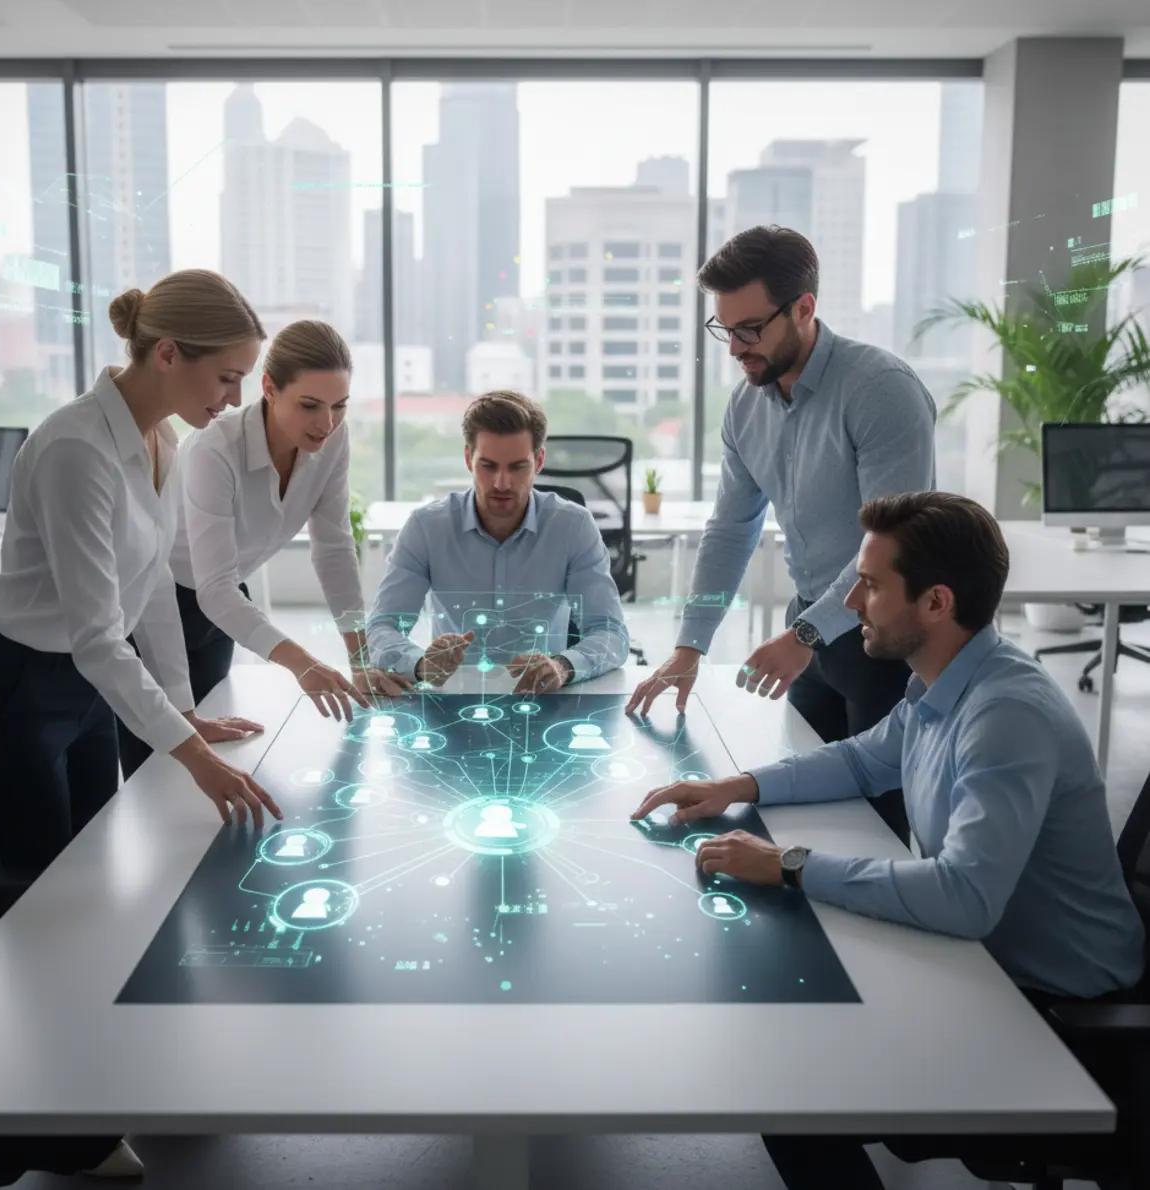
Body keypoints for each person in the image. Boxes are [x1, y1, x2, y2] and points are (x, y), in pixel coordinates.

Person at [631, 490, 1145, 1190]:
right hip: (980, 967)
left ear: (935, 603)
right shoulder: (946, 679)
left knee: (784, 1082)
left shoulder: (1005, 714)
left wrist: (787, 863)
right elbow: (863, 759)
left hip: (1053, 1014)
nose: (850, 604)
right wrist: (737, 786)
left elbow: (965, 897)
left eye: (870, 585)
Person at [0, 270, 284, 908]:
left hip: (89, 690)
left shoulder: (163, 439)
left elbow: (150, 585)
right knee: (37, 906)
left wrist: (182, 712)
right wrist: (198, 762)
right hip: (12, 693)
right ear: (169, 353)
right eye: (228, 376)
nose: (235, 399)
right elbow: (98, 635)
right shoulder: (77, 448)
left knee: (91, 887)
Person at [626, 225, 937, 845]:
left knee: (887, 826)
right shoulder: (746, 406)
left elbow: (894, 544)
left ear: (804, 308)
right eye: (725, 330)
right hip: (815, 631)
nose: (737, 347)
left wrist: (805, 633)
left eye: (751, 329)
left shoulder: (881, 390)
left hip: (887, 640)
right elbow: (729, 531)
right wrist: (690, 644)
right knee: (805, 810)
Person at [116, 319, 400, 777]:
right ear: (268, 388)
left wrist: (360, 660)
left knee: (224, 760)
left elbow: (333, 548)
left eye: (339, 406)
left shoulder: (332, 439)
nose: (326, 423)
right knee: (155, 775)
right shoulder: (215, 448)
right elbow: (213, 589)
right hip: (156, 614)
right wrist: (303, 663)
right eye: (309, 405)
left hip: (222, 611)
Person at [366, 391, 629, 690]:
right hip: (456, 699)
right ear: (468, 458)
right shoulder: (425, 528)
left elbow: (611, 633)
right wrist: (420, 664)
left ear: (539, 460)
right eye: (488, 466)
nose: (501, 483)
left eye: (517, 467)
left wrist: (563, 665)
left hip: (544, 700)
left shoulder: (573, 526)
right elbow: (381, 627)